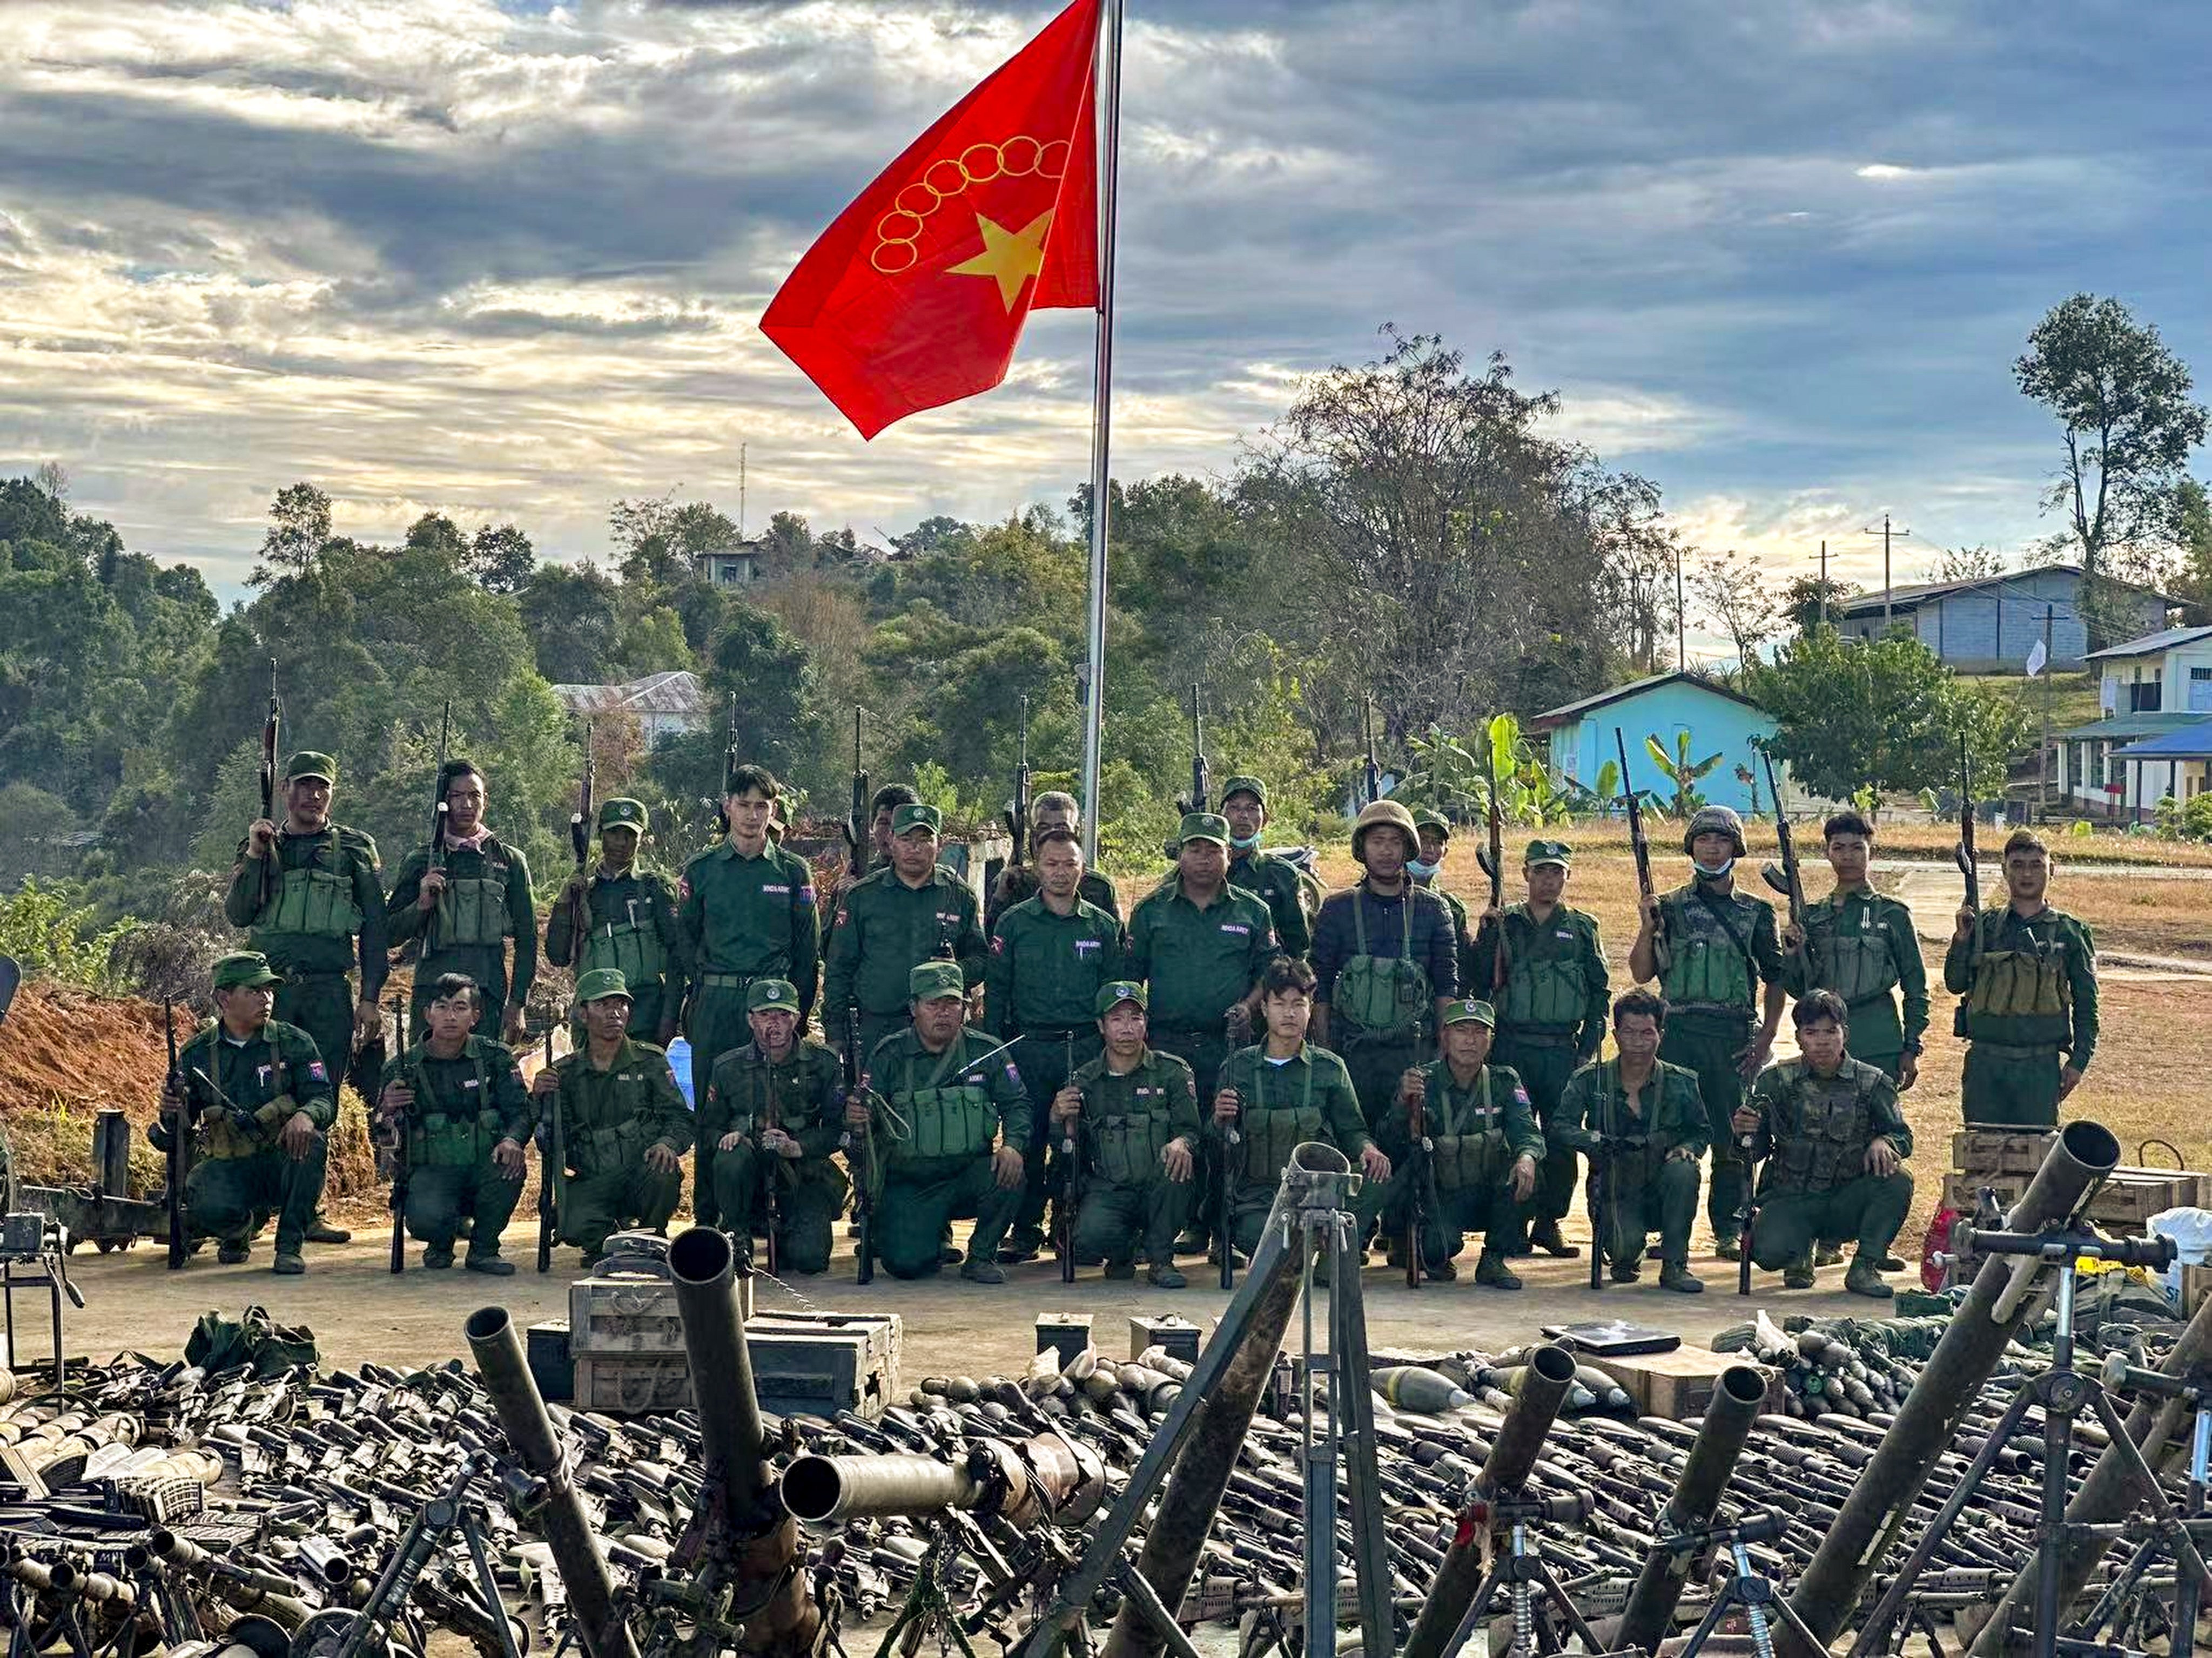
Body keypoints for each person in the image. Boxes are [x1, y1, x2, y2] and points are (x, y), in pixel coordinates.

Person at [223, 749, 385, 1248]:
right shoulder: (262, 845)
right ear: (285, 790)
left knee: (320, 1098)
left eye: (322, 788)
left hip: (326, 992)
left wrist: (371, 997)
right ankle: (246, 1212)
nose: (313, 796)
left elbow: (375, 928)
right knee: (257, 1094)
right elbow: (239, 913)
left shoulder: (355, 849)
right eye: (304, 786)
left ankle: (306, 1210)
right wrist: (255, 855)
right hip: (268, 993)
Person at [1628, 805, 1783, 1261]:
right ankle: (1667, 1229)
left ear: (1735, 849)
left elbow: (1775, 979)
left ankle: (1728, 1228)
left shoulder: (1755, 912)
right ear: (1690, 847)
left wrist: (1766, 1037)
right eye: (1703, 840)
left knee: (1731, 1137)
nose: (1712, 848)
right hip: (1678, 1033)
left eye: (1721, 841)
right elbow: (1641, 972)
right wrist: (1646, 926)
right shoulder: (1669, 907)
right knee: (1669, 1133)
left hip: (1732, 1035)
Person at [1125, 812, 1279, 1254]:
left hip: (1227, 1045)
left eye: (1214, 850)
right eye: (1195, 849)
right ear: (1180, 853)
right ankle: (1171, 1225)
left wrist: (1248, 1008)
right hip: (1167, 1047)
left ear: (1229, 855)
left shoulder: (1252, 911)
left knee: (1226, 1137)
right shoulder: (1151, 911)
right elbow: (1130, 980)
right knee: (1170, 1136)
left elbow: (1269, 974)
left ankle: (1219, 1226)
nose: (1204, 859)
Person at [985, 827, 1127, 1264]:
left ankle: (1070, 1226)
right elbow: (997, 991)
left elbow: (1114, 992)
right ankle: (1024, 1230)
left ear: (1083, 868)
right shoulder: (1014, 922)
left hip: (1084, 1047)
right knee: (1025, 1141)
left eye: (1070, 864)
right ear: (1036, 868)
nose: (1061, 873)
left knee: (1082, 1139)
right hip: (1028, 1046)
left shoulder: (1101, 926)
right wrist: (995, 1050)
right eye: (1051, 864)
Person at [843, 961, 1030, 1282]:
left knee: (1011, 1173)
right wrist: (858, 1118)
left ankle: (981, 1256)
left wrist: (1013, 1145)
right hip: (910, 1182)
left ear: (965, 1007)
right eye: (933, 1004)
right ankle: (927, 1239)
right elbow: (866, 1124)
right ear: (914, 1008)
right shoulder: (890, 1055)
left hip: (966, 1176)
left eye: (952, 1003)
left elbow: (1018, 1105)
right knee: (906, 1266)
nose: (943, 1013)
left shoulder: (986, 1051)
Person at [151, 952, 335, 1275]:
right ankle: (239, 1231)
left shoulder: (294, 1042)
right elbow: (181, 1126)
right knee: (201, 1192)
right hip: (231, 1163)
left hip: (282, 1159)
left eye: (269, 991)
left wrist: (307, 1115)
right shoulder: (197, 1054)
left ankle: (289, 1246)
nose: (266, 999)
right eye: (254, 991)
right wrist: (171, 1109)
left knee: (314, 1144)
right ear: (224, 998)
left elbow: (322, 1097)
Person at [1470, 839, 1609, 1258]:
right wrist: (1484, 933)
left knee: (1561, 1138)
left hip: (1560, 1049)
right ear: (1525, 874)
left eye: (1556, 872)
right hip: (1511, 1046)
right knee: (1510, 1137)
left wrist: (1586, 1050)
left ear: (1568, 876)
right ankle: (1512, 1223)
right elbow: (1478, 980)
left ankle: (1550, 1222)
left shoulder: (1582, 928)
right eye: (1540, 871)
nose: (1548, 880)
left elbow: (1599, 993)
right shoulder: (1506, 922)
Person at [1209, 956, 1390, 1261]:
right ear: (1264, 1009)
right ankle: (1322, 1251)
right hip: (1259, 1199)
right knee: (1267, 1240)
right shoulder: (1236, 1068)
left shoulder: (1329, 1068)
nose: (1290, 1013)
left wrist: (1368, 1149)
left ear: (1310, 1008)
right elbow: (1215, 1145)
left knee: (1377, 1175)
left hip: (1319, 1193)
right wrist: (1218, 1120)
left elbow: (1352, 1130)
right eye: (1280, 1004)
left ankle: (1329, 1256)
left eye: (1299, 1004)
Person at [1735, 990, 1913, 1299]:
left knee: (1898, 1181)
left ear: (1846, 1033)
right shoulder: (1775, 1082)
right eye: (1811, 1032)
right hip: (1793, 1199)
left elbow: (1903, 1135)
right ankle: (1799, 1250)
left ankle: (1865, 1266)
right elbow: (1753, 1151)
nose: (1822, 1041)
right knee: (1766, 1253)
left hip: (1846, 1201)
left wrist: (1886, 1142)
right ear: (1799, 1037)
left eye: (1831, 1031)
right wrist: (1744, 1132)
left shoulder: (1873, 1083)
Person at [1310, 800, 1458, 1133]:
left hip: (1413, 1055)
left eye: (1395, 842)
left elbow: (1446, 986)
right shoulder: (1337, 909)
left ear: (1408, 848)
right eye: (1377, 841)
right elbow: (1318, 984)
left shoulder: (1434, 911)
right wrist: (1325, 1050)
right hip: (1353, 1054)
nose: (1387, 851)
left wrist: (1442, 1056)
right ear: (1362, 848)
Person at [529, 969, 690, 1265]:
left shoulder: (650, 1060)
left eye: (621, 1004)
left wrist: (668, 1143)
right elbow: (549, 1136)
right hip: (593, 1178)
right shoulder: (565, 1072)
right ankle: (616, 1244)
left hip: (642, 1172)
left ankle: (651, 1237)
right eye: (603, 1005)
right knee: (572, 1225)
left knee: (663, 1173)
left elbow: (680, 1118)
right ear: (583, 1013)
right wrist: (540, 1097)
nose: (615, 1013)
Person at [1553, 989, 1709, 1293]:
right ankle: (1628, 1250)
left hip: (1664, 1180)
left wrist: (1688, 1149)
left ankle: (1676, 1265)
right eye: (1629, 1032)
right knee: (1622, 1257)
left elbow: (1701, 1130)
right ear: (1615, 1034)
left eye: (1647, 1033)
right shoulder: (1589, 1079)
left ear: (1661, 1035)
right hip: (1617, 1184)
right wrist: (1593, 1141)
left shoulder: (1682, 1081)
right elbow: (1561, 1125)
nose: (1638, 1042)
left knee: (1685, 1171)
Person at [374, 973, 530, 1275]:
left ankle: (484, 1249)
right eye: (442, 1007)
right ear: (427, 1014)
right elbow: (381, 1136)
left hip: (485, 1165)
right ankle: (440, 1243)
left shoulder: (495, 1057)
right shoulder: (402, 1068)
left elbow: (521, 1112)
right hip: (434, 1170)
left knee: (511, 1167)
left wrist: (513, 1141)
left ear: (475, 1016)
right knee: (425, 1218)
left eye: (460, 1008)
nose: (450, 1016)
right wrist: (388, 1110)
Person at [1382, 998, 1543, 1288]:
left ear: (1491, 1039)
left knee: (1529, 1170)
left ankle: (1494, 1259)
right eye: (1461, 1031)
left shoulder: (1504, 1081)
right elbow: (1391, 1142)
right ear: (1445, 1036)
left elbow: (1527, 1132)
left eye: (1480, 1032)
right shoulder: (1422, 1082)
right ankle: (1419, 1245)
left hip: (1490, 1192)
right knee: (1436, 1249)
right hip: (1442, 1196)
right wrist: (1402, 1104)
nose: (1471, 1040)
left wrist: (1528, 1157)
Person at [676, 764, 820, 1088]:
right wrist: (701, 992)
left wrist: (798, 1013)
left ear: (774, 810)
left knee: (771, 1105)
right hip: (716, 1003)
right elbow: (684, 940)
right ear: (728, 806)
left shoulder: (793, 872)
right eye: (744, 805)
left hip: (772, 1002)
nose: (752, 816)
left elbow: (807, 952)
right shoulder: (701, 870)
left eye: (761, 806)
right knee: (711, 1109)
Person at [1945, 828, 2099, 1128]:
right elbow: (1955, 983)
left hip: (2038, 1068)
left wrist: (2079, 1061)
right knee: (1982, 1156)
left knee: (2035, 1158)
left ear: (2051, 870)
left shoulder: (2070, 932)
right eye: (2017, 865)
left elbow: (2087, 1003)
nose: (2027, 873)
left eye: (2036, 865)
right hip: (1985, 1066)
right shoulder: (1984, 926)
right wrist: (1963, 939)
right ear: (2004, 870)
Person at [1052, 981, 1201, 1286]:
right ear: (1101, 1026)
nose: (1127, 1028)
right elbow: (1068, 1148)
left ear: (1146, 1024)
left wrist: (1182, 1142)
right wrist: (1058, 1117)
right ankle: (1123, 1252)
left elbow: (1193, 1131)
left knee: (1178, 1163)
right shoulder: (1084, 1080)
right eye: (1117, 1019)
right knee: (1089, 1238)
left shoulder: (1172, 1072)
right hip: (1111, 1190)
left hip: (1161, 1188)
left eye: (1136, 1018)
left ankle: (1161, 1260)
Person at [697, 979, 849, 1275]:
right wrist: (731, 1137)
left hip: (801, 1176)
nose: (774, 1024)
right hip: (748, 1179)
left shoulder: (823, 1063)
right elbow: (706, 1130)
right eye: (765, 1015)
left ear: (797, 1018)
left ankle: (788, 1231)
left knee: (809, 1261)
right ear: (750, 1020)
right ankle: (737, 1234)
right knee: (732, 1155)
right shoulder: (727, 1067)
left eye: (783, 1015)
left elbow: (837, 1130)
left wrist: (798, 1146)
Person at [386, 760, 536, 1045]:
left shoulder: (509, 860)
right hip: (433, 993)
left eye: (474, 796)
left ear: (485, 800)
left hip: (486, 993)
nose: (467, 804)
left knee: (482, 1079)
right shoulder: (422, 859)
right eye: (456, 796)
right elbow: (389, 933)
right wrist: (421, 903)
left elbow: (527, 938)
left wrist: (517, 1003)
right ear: (443, 802)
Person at [825, 803, 989, 1061]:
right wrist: (835, 1032)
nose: (915, 848)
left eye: (925, 840)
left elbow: (982, 961)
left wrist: (956, 970)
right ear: (890, 841)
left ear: (940, 844)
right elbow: (838, 968)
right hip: (876, 1028)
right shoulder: (863, 896)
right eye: (905, 838)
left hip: (940, 1031)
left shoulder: (959, 896)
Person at [1779, 809, 1927, 1088]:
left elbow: (1916, 986)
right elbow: (1799, 989)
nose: (1848, 856)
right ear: (1827, 853)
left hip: (1878, 1040)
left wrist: (1911, 1046)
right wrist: (1791, 954)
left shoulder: (1892, 914)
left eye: (1858, 848)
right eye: (1839, 848)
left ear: (1872, 852)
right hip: (1823, 1045)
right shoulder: (1810, 916)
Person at [547, 797, 690, 1045]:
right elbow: (558, 956)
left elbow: (678, 958)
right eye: (614, 833)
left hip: (645, 1016)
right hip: (593, 1019)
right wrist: (564, 901)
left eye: (630, 835)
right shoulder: (584, 892)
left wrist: (668, 1020)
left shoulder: (654, 887)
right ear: (600, 834)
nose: (622, 843)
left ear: (642, 838)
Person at [985, 792, 1121, 931]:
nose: (1052, 834)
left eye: (1062, 827)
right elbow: (992, 942)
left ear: (1076, 832)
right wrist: (1001, 896)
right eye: (1044, 828)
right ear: (1033, 834)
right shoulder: (1011, 883)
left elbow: (1118, 945)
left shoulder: (1099, 888)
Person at [1221, 777, 1314, 961]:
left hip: (1266, 980)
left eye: (1252, 808)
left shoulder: (1282, 874)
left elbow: (1298, 945)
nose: (1243, 815)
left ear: (1266, 820)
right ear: (1221, 816)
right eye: (1234, 807)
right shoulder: (1204, 869)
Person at [825, 782, 918, 942]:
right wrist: (842, 906)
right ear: (871, 827)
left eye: (900, 825)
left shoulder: (940, 885)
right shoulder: (856, 881)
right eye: (883, 823)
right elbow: (829, 951)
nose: (890, 833)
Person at [1408, 808, 1473, 983]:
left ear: (1445, 852)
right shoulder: (1384, 895)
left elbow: (1463, 967)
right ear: (1408, 843)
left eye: (1438, 842)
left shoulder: (1452, 908)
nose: (1430, 849)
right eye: (1423, 840)